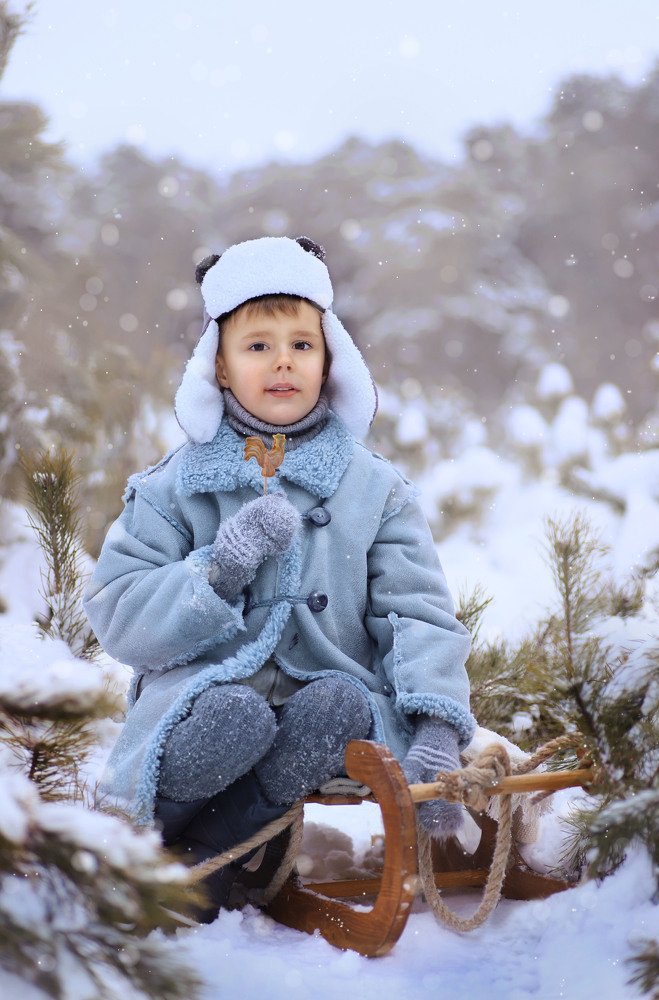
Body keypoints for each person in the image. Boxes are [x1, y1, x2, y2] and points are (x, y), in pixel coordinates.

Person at [84, 235, 475, 919]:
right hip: (201, 703)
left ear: (330, 361)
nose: (283, 362)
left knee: (339, 708)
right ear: (222, 369)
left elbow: (417, 610)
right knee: (232, 715)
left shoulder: (372, 486)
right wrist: (220, 570)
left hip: (319, 709)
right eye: (258, 346)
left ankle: (226, 846)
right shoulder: (177, 484)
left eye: (302, 344)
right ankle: (156, 842)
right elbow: (117, 608)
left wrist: (437, 729)